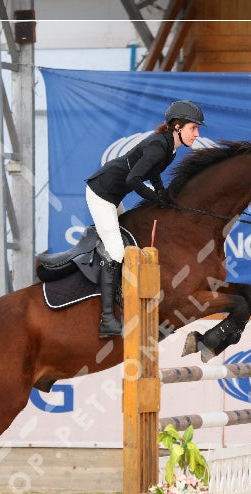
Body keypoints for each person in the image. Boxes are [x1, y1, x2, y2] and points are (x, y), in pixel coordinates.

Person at [85, 100, 205, 338]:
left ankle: (125, 300)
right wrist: (156, 199)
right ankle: (107, 319)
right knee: (118, 252)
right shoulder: (159, 146)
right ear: (177, 127)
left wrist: (165, 197)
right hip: (101, 194)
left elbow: (154, 174)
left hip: (113, 195)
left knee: (132, 241)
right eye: (194, 128)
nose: (197, 134)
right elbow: (133, 179)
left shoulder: (170, 148)